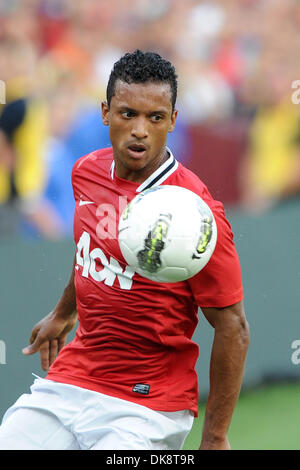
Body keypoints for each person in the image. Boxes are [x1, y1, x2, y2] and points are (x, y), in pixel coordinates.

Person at [0, 50, 249, 450]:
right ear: (105, 112)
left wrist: (216, 437)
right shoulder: (87, 172)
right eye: (127, 113)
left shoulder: (198, 214)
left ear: (172, 120)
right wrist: (64, 312)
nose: (139, 129)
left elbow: (233, 327)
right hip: (73, 380)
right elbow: (87, 249)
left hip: (147, 402)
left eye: (154, 117)